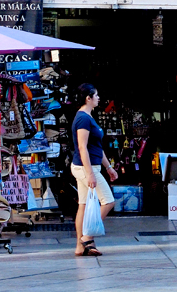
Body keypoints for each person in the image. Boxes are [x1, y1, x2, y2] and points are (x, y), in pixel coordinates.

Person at [70, 83, 117, 257]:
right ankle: (86, 237)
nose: (99, 98)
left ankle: (79, 246)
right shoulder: (83, 118)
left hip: (90, 165)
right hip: (85, 167)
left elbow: (96, 147)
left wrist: (109, 167)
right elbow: (82, 147)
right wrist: (90, 173)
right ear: (88, 98)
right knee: (108, 201)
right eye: (96, 95)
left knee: (83, 205)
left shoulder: (88, 117)